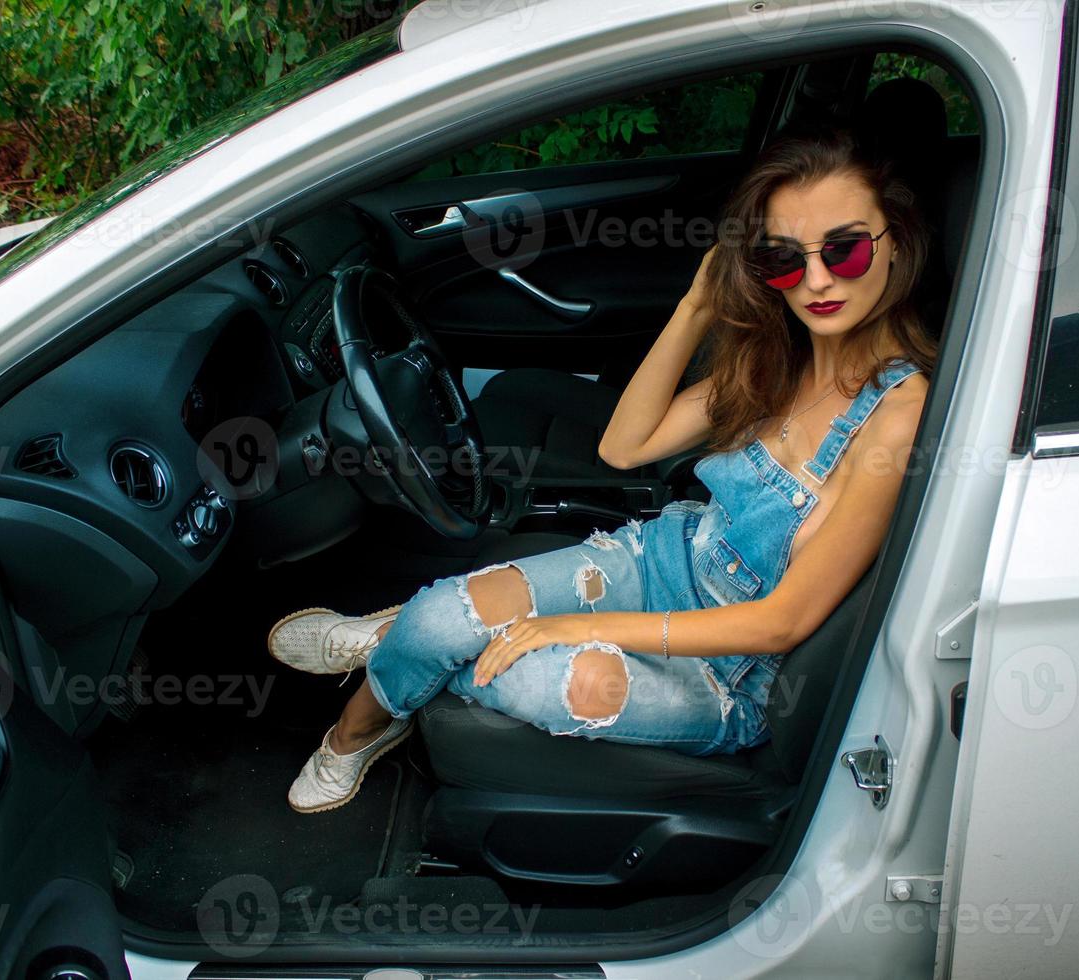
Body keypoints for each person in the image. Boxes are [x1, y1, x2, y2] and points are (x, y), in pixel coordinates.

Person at [269, 128, 937, 813]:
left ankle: (402, 638)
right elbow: (625, 446)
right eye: (784, 261)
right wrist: (695, 306)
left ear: (896, 243)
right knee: (440, 627)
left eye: (845, 249)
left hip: (728, 674)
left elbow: (781, 624)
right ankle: (357, 730)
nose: (818, 280)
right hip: (656, 563)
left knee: (514, 673)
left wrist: (578, 628)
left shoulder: (899, 416)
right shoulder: (779, 361)